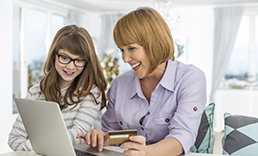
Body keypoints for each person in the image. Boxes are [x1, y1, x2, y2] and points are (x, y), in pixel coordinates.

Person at [77, 7, 207, 156]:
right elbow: (111, 134)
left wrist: (146, 152)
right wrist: (101, 139)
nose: (125, 59)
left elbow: (183, 136)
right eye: (122, 50)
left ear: (154, 43)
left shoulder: (190, 78)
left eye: (131, 48)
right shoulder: (120, 84)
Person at [8, 25, 107, 151]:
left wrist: (32, 147)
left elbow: (79, 134)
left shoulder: (90, 92)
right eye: (64, 57)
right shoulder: (35, 92)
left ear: (87, 61)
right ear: (54, 55)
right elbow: (14, 138)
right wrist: (35, 149)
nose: (71, 67)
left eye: (79, 60)